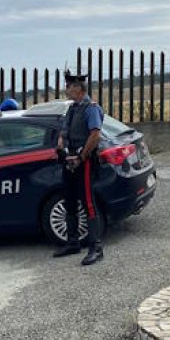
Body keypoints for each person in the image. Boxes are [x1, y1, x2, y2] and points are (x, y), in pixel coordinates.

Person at [53, 70, 105, 265]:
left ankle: (96, 248)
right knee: (70, 200)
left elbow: (95, 134)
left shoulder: (91, 108)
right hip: (69, 160)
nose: (66, 90)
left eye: (68, 86)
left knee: (88, 203)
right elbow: (64, 130)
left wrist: (82, 157)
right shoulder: (73, 108)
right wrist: (61, 144)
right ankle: (73, 242)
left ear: (77, 88)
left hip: (84, 162)